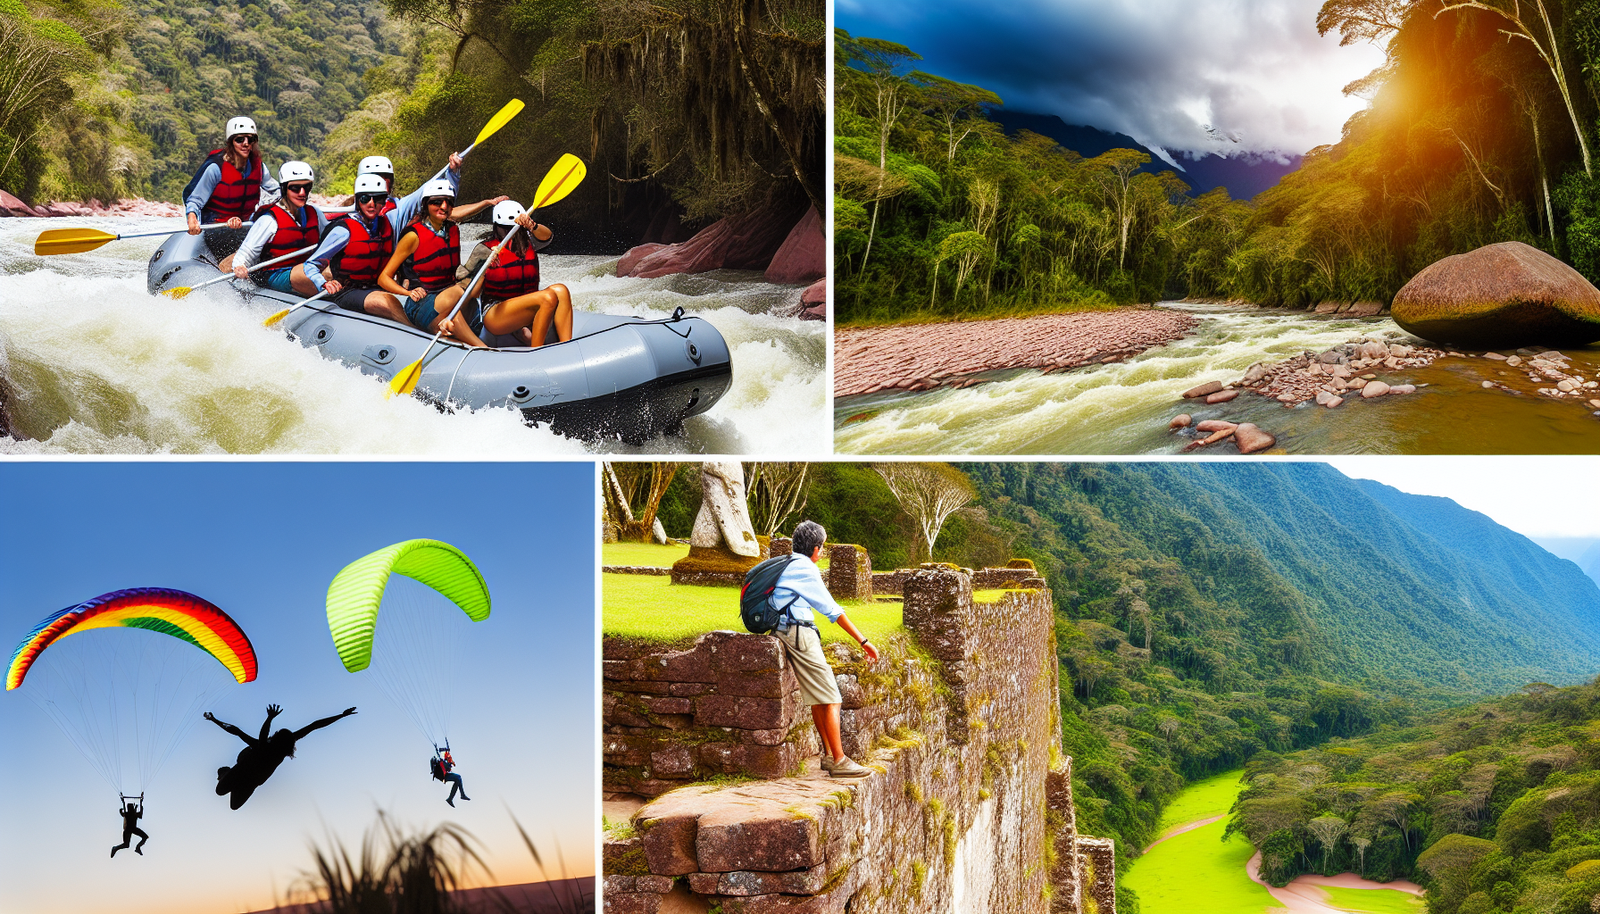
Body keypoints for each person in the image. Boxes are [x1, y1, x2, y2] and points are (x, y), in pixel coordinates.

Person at [769, 520, 879, 779]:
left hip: (787, 629)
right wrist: (863, 641)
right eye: (823, 547)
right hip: (799, 633)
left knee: (819, 698)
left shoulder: (788, 563)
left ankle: (829, 755)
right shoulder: (805, 568)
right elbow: (833, 610)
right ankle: (839, 760)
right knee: (832, 697)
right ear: (816, 549)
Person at [442, 200, 574, 348]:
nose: (511, 233)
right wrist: (485, 268)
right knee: (547, 297)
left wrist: (532, 225)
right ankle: (536, 351)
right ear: (497, 227)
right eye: (506, 228)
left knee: (561, 290)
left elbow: (547, 237)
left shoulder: (527, 242)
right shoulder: (484, 249)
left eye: (515, 228)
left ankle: (566, 346)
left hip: (525, 305)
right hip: (496, 312)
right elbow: (471, 290)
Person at [377, 179, 478, 340]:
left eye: (448, 202)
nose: (443, 206)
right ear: (426, 205)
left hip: (448, 300)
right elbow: (383, 278)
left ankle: (452, 330)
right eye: (436, 202)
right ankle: (481, 347)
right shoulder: (412, 236)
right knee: (460, 291)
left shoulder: (453, 230)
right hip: (422, 303)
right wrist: (408, 292)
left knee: (468, 295)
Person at [205, 704, 357, 810]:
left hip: (250, 781)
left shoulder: (270, 748)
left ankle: (228, 774)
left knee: (234, 806)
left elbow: (314, 725)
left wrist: (270, 718)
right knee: (220, 792)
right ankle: (227, 773)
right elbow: (314, 726)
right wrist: (342, 715)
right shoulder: (267, 747)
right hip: (244, 771)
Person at [184, 116, 279, 266]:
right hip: (218, 227)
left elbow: (277, 191)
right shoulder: (216, 168)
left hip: (246, 225)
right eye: (240, 139)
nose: (246, 144)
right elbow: (195, 200)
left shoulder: (258, 167)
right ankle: (232, 268)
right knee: (243, 245)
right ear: (231, 142)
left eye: (251, 139)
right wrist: (192, 218)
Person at [230, 161, 328, 295]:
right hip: (276, 275)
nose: (302, 192)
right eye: (295, 188)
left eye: (307, 186)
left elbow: (332, 241)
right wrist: (239, 267)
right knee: (319, 272)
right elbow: (244, 255)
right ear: (283, 188)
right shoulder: (268, 220)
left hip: (306, 271)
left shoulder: (315, 214)